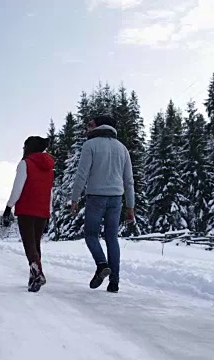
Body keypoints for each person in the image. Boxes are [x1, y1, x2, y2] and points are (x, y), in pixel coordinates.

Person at [71, 115, 135, 294]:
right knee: (111, 238)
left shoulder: (90, 145)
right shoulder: (122, 149)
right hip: (116, 198)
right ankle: (114, 282)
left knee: (91, 235)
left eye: (90, 125)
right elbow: (129, 181)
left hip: (96, 197)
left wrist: (74, 199)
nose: (88, 128)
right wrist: (130, 207)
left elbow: (81, 174)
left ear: (99, 126)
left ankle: (101, 264)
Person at [2, 136, 54, 292]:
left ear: (28, 147)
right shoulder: (49, 167)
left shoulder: (25, 164)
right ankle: (34, 279)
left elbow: (17, 188)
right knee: (36, 245)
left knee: (29, 245)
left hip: (26, 210)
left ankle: (37, 273)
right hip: (42, 211)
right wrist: (48, 214)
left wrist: (8, 207)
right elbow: (49, 192)